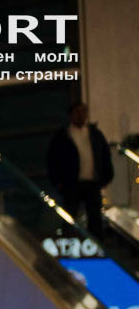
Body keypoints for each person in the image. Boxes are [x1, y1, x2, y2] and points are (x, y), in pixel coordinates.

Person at [46, 102, 114, 239]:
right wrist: (58, 181)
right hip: (72, 182)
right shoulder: (63, 136)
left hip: (92, 181)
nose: (81, 115)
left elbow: (104, 155)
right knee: (70, 214)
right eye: (77, 112)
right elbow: (53, 160)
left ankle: (96, 242)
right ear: (71, 115)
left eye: (83, 112)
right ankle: (68, 240)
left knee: (94, 215)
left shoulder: (94, 134)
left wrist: (106, 176)